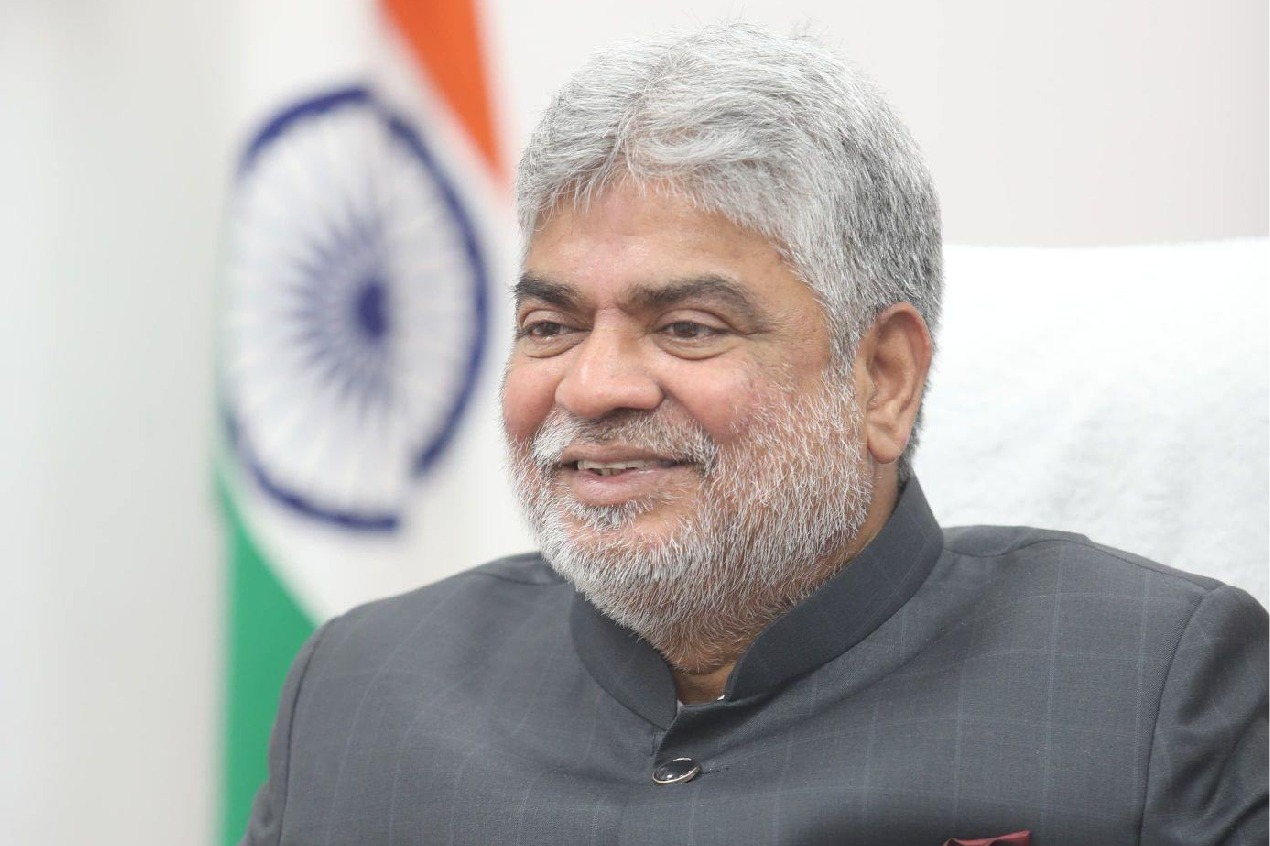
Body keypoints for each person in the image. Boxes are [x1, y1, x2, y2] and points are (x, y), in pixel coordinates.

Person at [242, 23, 1267, 846]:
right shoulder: (360, 690)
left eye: (688, 327)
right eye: (550, 326)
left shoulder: (1148, 689)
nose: (592, 386)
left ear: (883, 378)